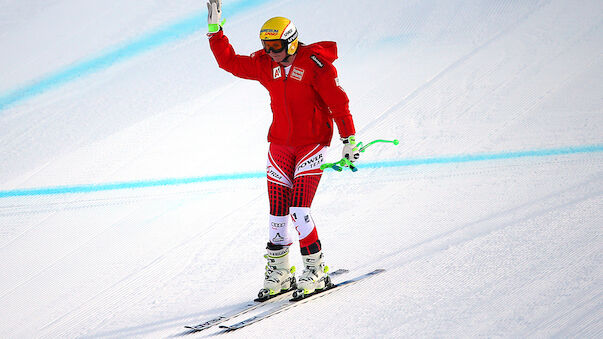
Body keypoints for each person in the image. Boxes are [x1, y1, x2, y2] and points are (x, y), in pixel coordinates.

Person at [206, 0, 360, 299]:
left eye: (276, 46)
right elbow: (230, 63)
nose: (270, 52)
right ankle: (280, 273)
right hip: (280, 144)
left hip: (311, 142)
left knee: (299, 210)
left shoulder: (316, 64)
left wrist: (349, 139)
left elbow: (338, 103)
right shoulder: (266, 64)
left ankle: (316, 270)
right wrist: (215, 32)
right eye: (266, 46)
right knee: (277, 214)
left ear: (291, 42)